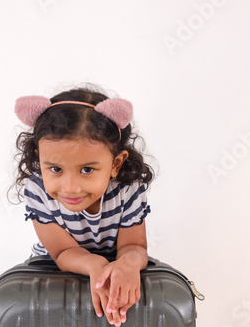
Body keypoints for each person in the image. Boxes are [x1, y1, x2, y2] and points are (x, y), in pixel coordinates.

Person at [13, 85, 155, 326]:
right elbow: (61, 252)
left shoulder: (126, 188)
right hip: (54, 267)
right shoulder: (37, 190)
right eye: (55, 169)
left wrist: (128, 264)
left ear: (115, 164)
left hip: (114, 264)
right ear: (39, 159)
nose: (70, 187)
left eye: (87, 169)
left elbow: (134, 245)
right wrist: (95, 264)